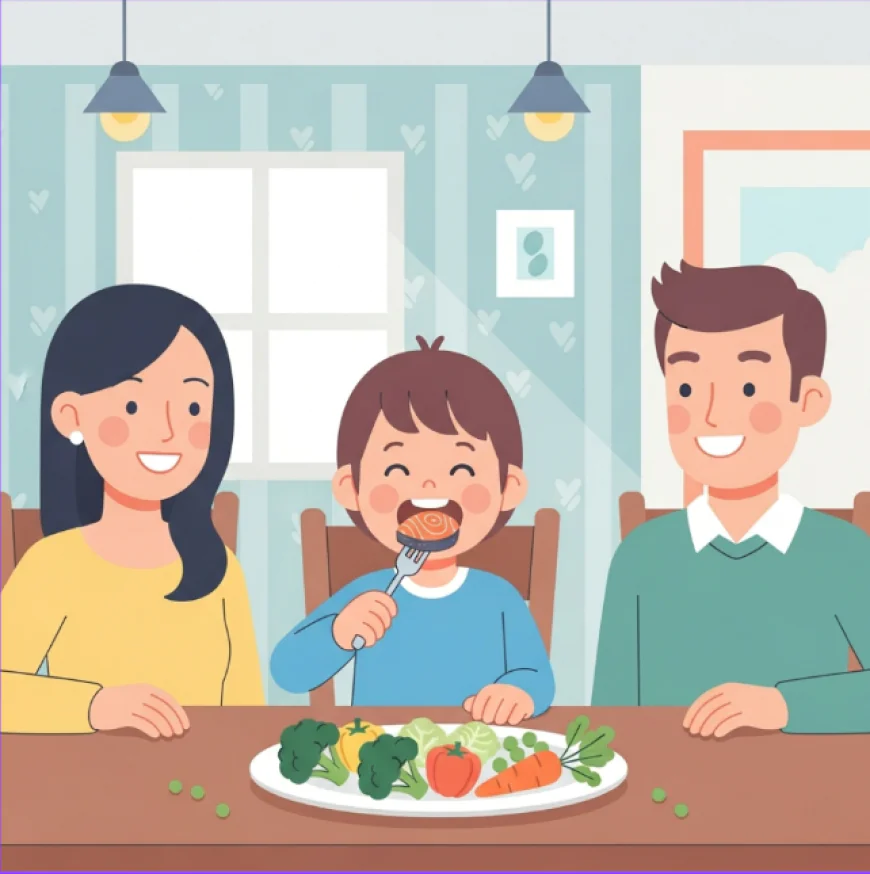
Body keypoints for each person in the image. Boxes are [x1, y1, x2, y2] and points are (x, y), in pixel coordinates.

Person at [593, 261, 870, 736]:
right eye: (686, 387)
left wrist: (784, 706)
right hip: (665, 797)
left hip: (805, 798)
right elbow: (609, 722)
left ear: (807, 401)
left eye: (747, 387)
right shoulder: (640, 558)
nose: (712, 413)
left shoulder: (843, 554)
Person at [1, 285, 264, 737]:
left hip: (202, 795)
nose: (167, 430)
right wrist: (94, 706)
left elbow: (248, 720)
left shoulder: (220, 569)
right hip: (90, 793)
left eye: (193, 406)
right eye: (132, 404)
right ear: (70, 415)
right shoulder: (52, 565)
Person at [271, 337, 555, 724]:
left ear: (509, 488)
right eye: (397, 470)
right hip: (377, 763)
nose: (429, 488)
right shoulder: (368, 595)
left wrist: (516, 692)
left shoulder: (499, 598)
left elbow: (537, 677)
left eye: (461, 470)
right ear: (350, 488)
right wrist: (338, 634)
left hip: (476, 757)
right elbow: (287, 671)